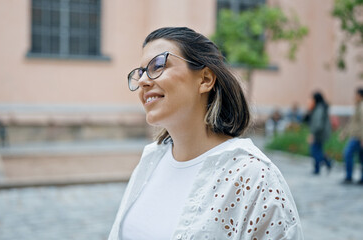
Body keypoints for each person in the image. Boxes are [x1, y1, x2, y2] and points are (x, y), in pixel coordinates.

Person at [109, 27, 303, 240]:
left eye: (158, 65)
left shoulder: (253, 177)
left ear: (205, 80)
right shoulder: (150, 161)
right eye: (141, 72)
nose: (144, 81)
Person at [340, 88, 363, 184]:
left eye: (356, 95)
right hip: (355, 136)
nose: (354, 97)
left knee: (348, 153)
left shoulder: (361, 107)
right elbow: (351, 123)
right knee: (361, 157)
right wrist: (344, 133)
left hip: (358, 137)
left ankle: (349, 176)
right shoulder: (357, 106)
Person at [308, 91, 332, 175]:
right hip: (321, 133)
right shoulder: (320, 107)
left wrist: (313, 134)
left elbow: (318, 124)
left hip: (319, 134)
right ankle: (325, 164)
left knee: (315, 151)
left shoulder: (319, 108)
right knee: (318, 150)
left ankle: (321, 166)